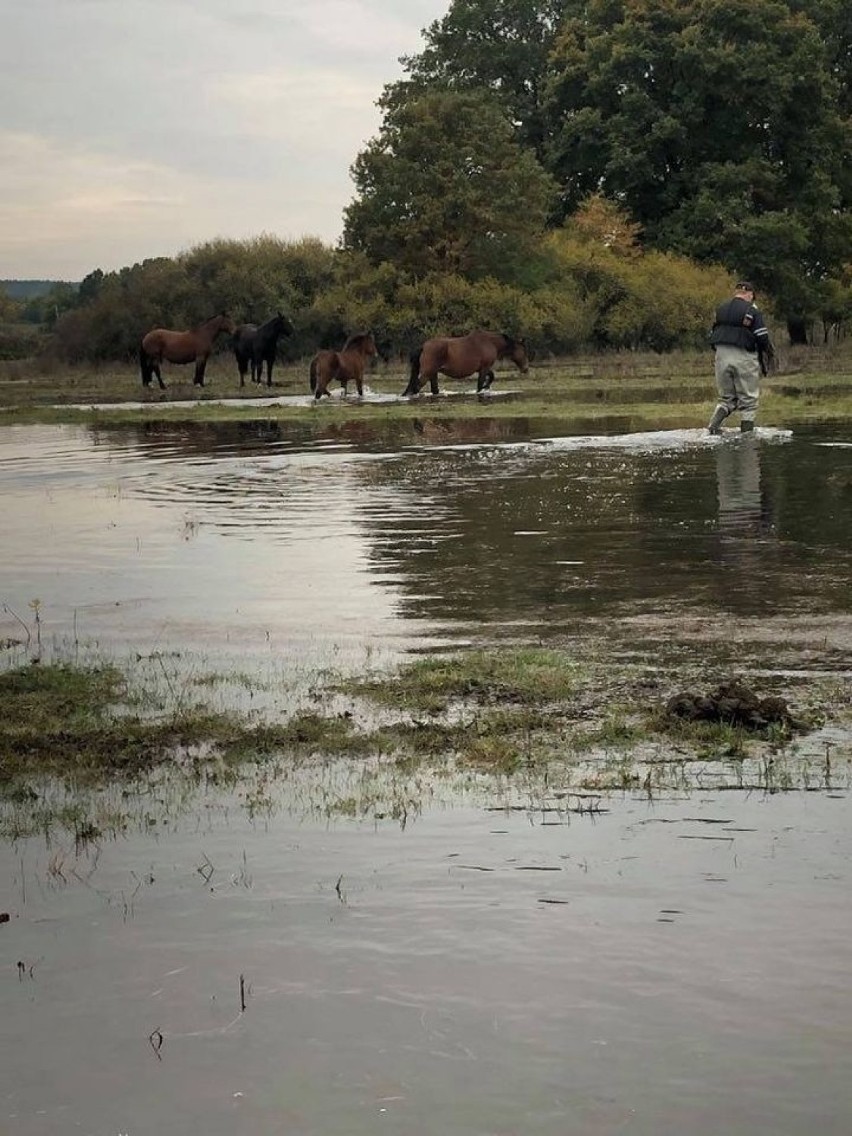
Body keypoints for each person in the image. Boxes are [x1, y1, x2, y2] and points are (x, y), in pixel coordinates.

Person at [707, 281, 776, 434]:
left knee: (726, 398)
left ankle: (713, 427)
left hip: (721, 356)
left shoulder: (721, 309)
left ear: (736, 292)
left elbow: (713, 332)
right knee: (749, 401)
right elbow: (761, 336)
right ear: (750, 294)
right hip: (743, 356)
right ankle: (747, 436)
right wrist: (768, 352)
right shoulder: (752, 311)